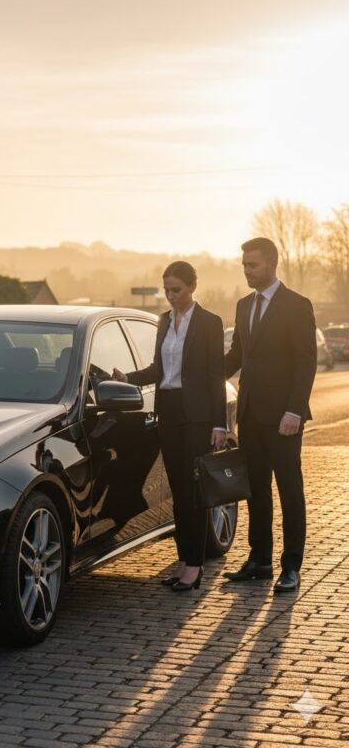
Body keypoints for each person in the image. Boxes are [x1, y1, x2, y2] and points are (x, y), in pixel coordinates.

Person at [114, 261, 227, 592]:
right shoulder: (164, 321)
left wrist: (219, 423)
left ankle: (194, 566)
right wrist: (127, 378)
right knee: (177, 492)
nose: (170, 296)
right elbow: (157, 369)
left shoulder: (209, 322)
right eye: (166, 290)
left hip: (198, 417)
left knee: (193, 492)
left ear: (192, 287)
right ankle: (183, 561)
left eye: (176, 290)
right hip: (170, 414)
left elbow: (215, 376)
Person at [223, 237, 317, 592]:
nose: (247, 271)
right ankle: (259, 560)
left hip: (284, 418)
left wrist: (294, 410)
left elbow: (306, 362)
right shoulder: (243, 305)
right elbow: (236, 356)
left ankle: (291, 566)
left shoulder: (297, 305)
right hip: (249, 414)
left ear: (272, 264)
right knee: (256, 490)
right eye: (244, 265)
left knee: (290, 490)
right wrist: (199, 374)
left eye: (253, 265)